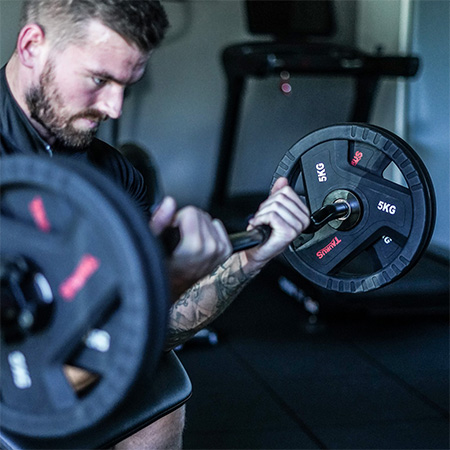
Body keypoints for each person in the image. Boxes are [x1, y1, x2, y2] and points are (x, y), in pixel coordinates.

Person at [0, 0, 311, 448]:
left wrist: (247, 258)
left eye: (127, 84)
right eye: (99, 80)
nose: (114, 106)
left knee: (159, 392)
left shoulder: (114, 175)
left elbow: (158, 335)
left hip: (54, 373)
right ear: (32, 46)